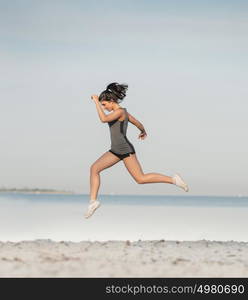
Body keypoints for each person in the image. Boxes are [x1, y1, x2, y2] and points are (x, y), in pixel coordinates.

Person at [84, 82, 189, 218]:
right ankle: (93, 201)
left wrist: (95, 102)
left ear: (111, 101)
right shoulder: (124, 112)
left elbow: (103, 119)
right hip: (115, 151)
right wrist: (142, 130)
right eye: (101, 105)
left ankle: (173, 179)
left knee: (140, 178)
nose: (104, 108)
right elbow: (138, 123)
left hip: (125, 150)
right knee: (94, 169)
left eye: (104, 104)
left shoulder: (120, 112)